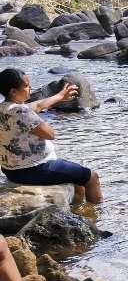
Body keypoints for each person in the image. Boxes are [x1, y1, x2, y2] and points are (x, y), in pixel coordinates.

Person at [0, 70, 103, 203]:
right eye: (26, 85)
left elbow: (37, 105)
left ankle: (79, 209)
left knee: (77, 182)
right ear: (13, 91)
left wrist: (60, 96)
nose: (30, 88)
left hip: (11, 170)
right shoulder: (22, 112)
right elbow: (50, 134)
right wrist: (38, 119)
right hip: (34, 170)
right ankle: (95, 217)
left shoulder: (5, 108)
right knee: (91, 177)